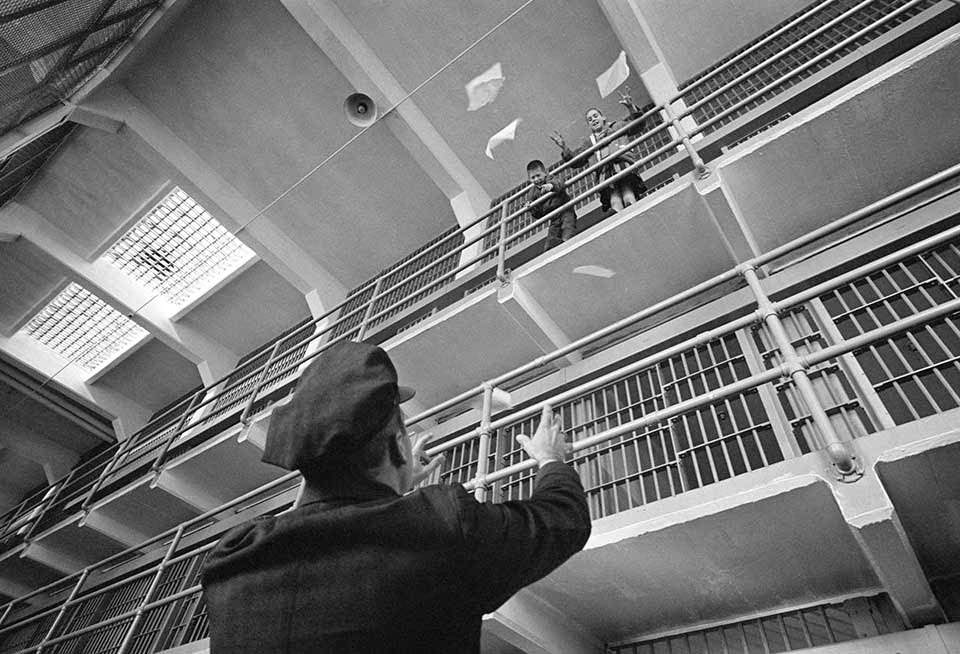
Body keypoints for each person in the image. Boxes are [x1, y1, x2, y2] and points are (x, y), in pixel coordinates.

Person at [200, 340, 591, 653]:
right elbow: (563, 519)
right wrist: (550, 459)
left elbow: (310, 524)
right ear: (397, 447)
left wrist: (391, 485)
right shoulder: (440, 527)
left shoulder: (231, 560)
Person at [552, 88, 649, 213]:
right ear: (589, 126)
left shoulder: (617, 126)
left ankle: (632, 209)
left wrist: (631, 107)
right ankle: (617, 215)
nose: (593, 120)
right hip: (604, 173)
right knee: (614, 199)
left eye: (595, 116)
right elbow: (576, 161)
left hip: (623, 166)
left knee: (627, 192)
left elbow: (638, 124)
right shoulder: (589, 143)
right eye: (590, 119)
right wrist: (564, 147)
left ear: (603, 118)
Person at [525, 159, 577, 253]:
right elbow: (538, 214)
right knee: (550, 243)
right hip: (553, 218)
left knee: (568, 231)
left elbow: (560, 183)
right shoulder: (532, 193)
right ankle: (554, 250)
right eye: (533, 178)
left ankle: (566, 245)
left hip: (565, 210)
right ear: (529, 179)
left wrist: (551, 186)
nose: (536, 179)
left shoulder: (551, 178)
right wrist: (531, 208)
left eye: (538, 175)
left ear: (545, 173)